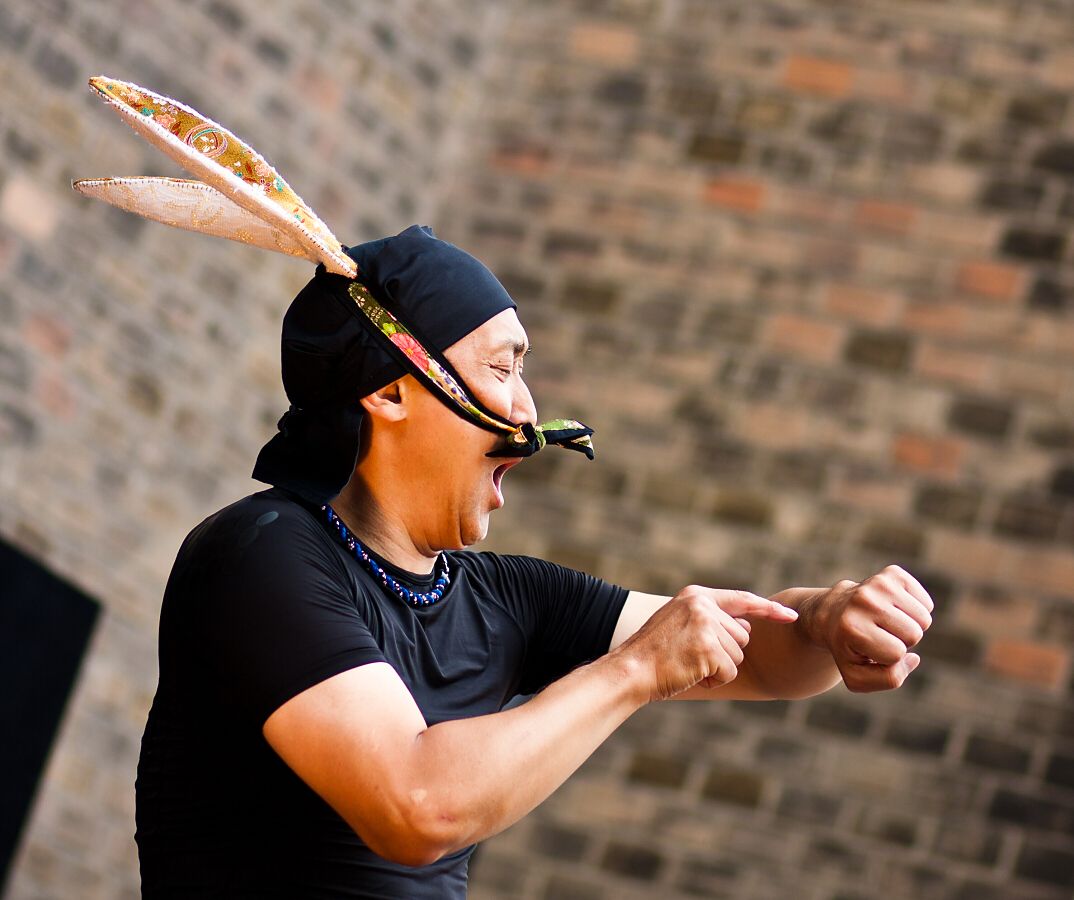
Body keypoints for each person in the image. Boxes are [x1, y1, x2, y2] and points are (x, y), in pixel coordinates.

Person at [71, 76, 932, 899]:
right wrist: (636, 671)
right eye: (503, 367)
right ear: (391, 391)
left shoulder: (505, 599)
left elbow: (765, 658)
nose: (527, 409)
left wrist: (829, 620)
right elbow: (417, 806)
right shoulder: (259, 556)